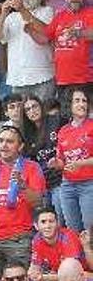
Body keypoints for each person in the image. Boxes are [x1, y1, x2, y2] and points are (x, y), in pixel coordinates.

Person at [0, 125, 45, 280]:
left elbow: (38, 202)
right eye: (1, 140)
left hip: (18, 238)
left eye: (10, 141)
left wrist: (22, 186)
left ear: (21, 146)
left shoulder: (31, 167)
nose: (4, 145)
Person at [0, 0, 56, 102]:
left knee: (45, 117)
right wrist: (3, 13)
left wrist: (22, 10)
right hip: (18, 78)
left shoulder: (47, 11)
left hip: (42, 76)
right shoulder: (11, 17)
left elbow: (47, 32)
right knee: (22, 119)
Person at [49, 89, 93, 234]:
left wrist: (80, 163)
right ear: (69, 105)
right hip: (67, 185)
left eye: (84, 101)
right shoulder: (63, 131)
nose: (81, 104)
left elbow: (77, 163)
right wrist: (56, 163)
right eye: (77, 100)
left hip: (89, 184)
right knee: (72, 231)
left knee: (90, 229)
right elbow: (63, 161)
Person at [29, 205, 85, 281]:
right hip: (56, 273)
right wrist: (33, 274)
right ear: (36, 226)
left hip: (81, 276)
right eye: (43, 222)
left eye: (51, 221)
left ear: (57, 223)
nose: (47, 226)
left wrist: (44, 277)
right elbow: (34, 266)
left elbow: (70, 273)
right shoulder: (37, 239)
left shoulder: (68, 237)